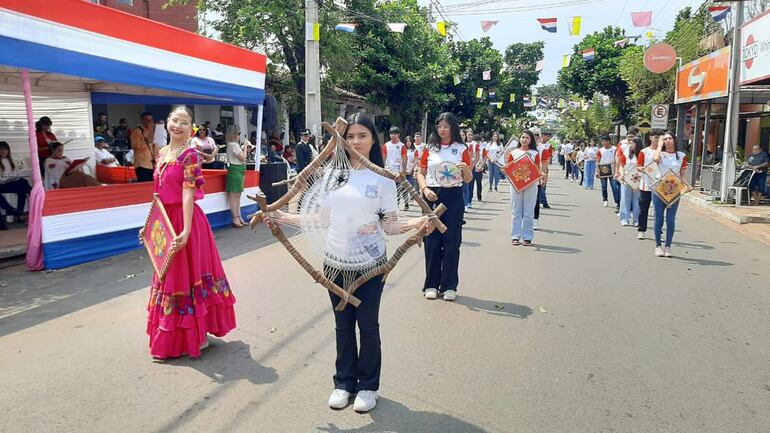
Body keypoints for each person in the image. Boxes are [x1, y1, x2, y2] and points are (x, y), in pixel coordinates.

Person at [265, 112, 434, 413]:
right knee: (342, 327)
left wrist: (420, 221)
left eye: (362, 136)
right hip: (335, 261)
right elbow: (321, 219)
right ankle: (343, 383)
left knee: (368, 326)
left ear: (373, 140)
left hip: (371, 263)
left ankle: (368, 386)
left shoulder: (383, 179)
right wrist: (281, 217)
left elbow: (391, 227)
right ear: (341, 140)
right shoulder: (331, 174)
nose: (355, 142)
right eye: (350, 136)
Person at [146, 105, 236, 360]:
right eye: (175, 120)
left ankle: (197, 334)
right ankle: (176, 337)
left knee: (188, 276)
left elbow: (188, 193)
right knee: (168, 277)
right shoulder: (162, 153)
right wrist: (151, 223)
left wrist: (184, 230)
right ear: (167, 123)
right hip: (165, 222)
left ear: (191, 129)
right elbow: (157, 191)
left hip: (187, 222)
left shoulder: (190, 155)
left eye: (184, 122)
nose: (178, 125)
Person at [416, 113, 472, 302]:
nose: (442, 130)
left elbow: (468, 179)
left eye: (446, 126)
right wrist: (424, 189)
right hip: (432, 196)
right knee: (431, 242)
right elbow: (420, 173)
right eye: (439, 126)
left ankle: (449, 285)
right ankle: (431, 284)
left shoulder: (461, 149)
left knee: (451, 242)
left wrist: (466, 171)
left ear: (453, 128)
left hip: (453, 197)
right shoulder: (429, 148)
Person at [651, 131, 688, 257]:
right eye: (665, 139)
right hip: (660, 188)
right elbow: (655, 159)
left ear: (675, 140)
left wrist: (687, 185)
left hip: (673, 189)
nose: (668, 141)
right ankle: (658, 245)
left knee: (670, 220)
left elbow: (682, 176)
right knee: (659, 218)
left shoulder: (681, 156)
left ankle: (668, 246)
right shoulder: (660, 154)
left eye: (670, 138)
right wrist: (659, 144)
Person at [507, 130, 541, 246]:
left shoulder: (535, 153)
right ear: (519, 139)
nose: (524, 140)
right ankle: (515, 236)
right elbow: (509, 168)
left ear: (531, 140)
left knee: (528, 211)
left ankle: (527, 237)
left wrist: (541, 174)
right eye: (522, 137)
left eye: (527, 138)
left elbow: (537, 168)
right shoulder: (514, 152)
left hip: (531, 184)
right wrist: (505, 170)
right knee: (516, 211)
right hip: (515, 184)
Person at [635, 130, 662, 240]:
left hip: (660, 186)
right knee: (643, 209)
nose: (657, 139)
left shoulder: (664, 152)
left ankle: (658, 231)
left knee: (659, 210)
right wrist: (647, 170)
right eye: (656, 137)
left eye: (660, 137)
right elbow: (639, 166)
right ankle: (641, 230)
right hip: (646, 184)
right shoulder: (644, 152)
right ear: (650, 138)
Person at [225, 125, 252, 228]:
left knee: (237, 195)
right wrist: (245, 146)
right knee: (235, 195)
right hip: (236, 170)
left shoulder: (232, 145)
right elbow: (243, 158)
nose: (239, 136)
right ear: (235, 134)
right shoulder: (233, 145)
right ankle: (235, 217)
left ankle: (238, 216)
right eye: (239, 134)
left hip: (238, 170)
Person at [0, 141, 32, 227]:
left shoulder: (15, 160)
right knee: (23, 184)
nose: (3, 151)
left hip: (13, 183)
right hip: (2, 185)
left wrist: (16, 175)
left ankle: (18, 212)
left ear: (8, 150)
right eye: (1, 149)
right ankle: (34, 198)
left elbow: (21, 171)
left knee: (22, 186)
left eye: (5, 149)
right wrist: (4, 179)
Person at [617, 138, 641, 226]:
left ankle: (636, 219)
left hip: (638, 180)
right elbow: (621, 165)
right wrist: (622, 174)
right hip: (626, 179)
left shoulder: (642, 154)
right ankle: (624, 219)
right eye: (629, 144)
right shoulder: (626, 154)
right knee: (625, 198)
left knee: (637, 200)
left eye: (632, 144)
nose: (630, 146)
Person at [130, 112, 157, 182]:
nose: (149, 122)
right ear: (142, 120)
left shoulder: (153, 131)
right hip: (142, 164)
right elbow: (135, 147)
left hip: (153, 164)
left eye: (151, 120)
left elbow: (157, 147)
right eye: (147, 120)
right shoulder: (137, 132)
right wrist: (145, 142)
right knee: (144, 186)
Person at [596, 135, 620, 210]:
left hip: (612, 169)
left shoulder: (615, 149)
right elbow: (597, 161)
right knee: (604, 186)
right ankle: (605, 199)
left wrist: (616, 169)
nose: (603, 143)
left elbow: (617, 159)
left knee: (614, 186)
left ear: (608, 141)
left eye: (604, 141)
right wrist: (597, 171)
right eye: (602, 141)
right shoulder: (600, 150)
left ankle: (617, 202)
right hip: (603, 169)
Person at [403, 136, 420, 210]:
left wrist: (411, 170)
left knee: (410, 187)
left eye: (409, 141)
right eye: (407, 141)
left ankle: (411, 198)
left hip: (411, 170)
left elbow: (416, 160)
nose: (408, 143)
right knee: (403, 188)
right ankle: (406, 203)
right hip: (403, 171)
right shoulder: (403, 150)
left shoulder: (414, 150)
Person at [469, 134, 487, 203]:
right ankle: (471, 196)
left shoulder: (482, 148)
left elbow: (485, 156)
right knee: (472, 183)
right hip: (473, 166)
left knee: (478, 183)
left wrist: (482, 165)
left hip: (479, 167)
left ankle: (479, 196)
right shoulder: (471, 146)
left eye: (478, 141)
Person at [537, 131, 553, 208]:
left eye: (549, 137)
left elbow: (549, 157)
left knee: (542, 185)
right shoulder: (535, 144)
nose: (548, 138)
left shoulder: (548, 145)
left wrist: (545, 168)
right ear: (542, 136)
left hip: (543, 167)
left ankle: (543, 201)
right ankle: (542, 201)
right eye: (547, 136)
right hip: (534, 168)